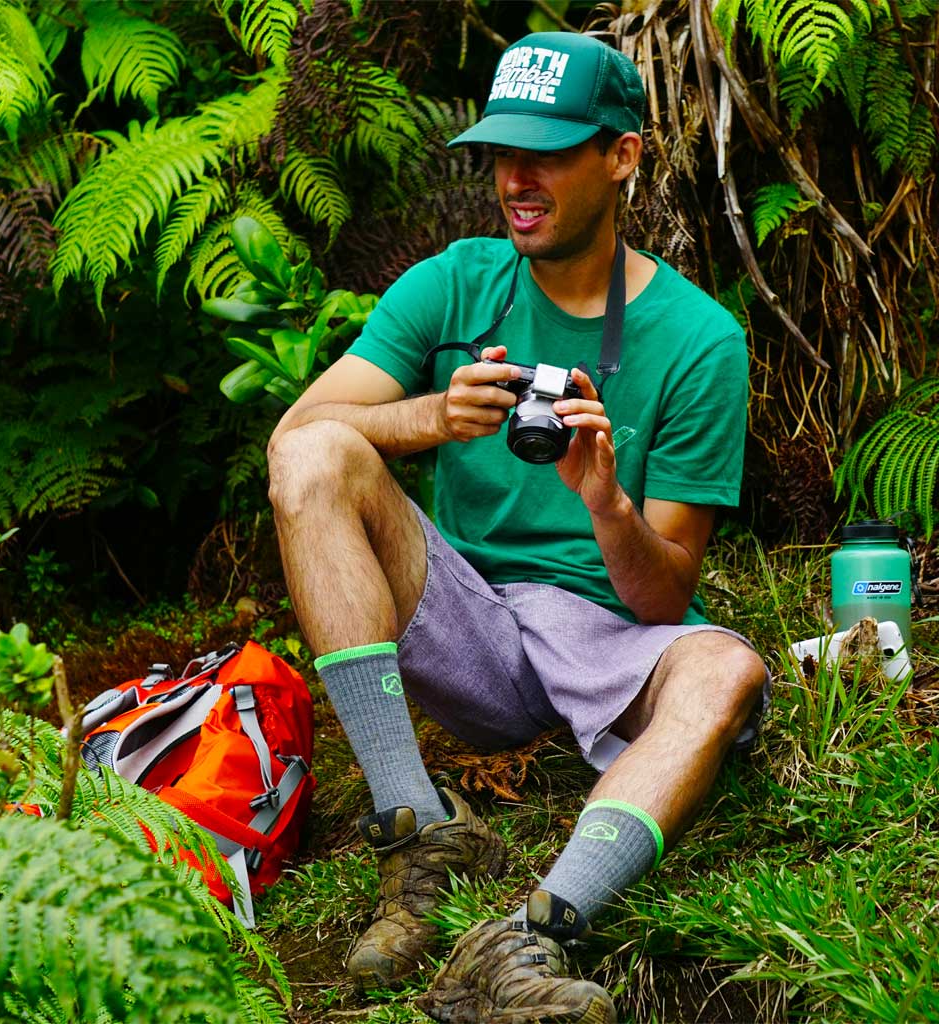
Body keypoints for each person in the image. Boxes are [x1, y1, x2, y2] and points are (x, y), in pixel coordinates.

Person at [267, 30, 770, 1024]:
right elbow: (297, 435)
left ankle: (537, 932)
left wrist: (605, 501)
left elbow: (663, 593)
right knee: (315, 457)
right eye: (501, 152)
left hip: (606, 635)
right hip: (469, 620)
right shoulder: (452, 284)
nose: (515, 179)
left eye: (545, 152)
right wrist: (428, 417)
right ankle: (415, 831)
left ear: (621, 154)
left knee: (725, 670)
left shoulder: (701, 339)